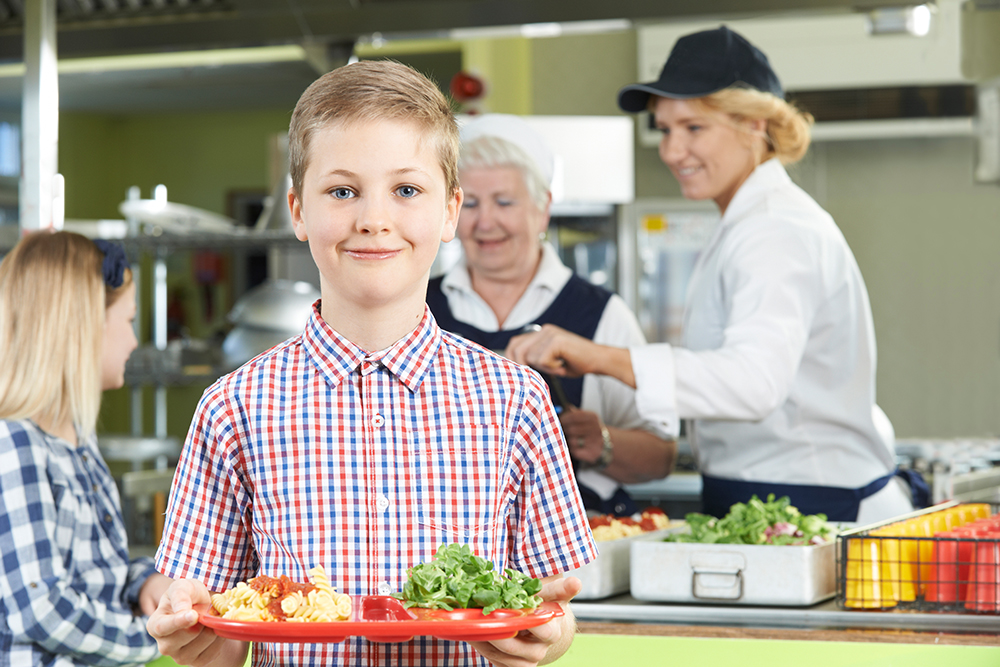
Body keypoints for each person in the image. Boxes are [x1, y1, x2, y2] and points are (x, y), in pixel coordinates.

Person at [145, 60, 596, 667]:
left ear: (449, 212)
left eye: (406, 190)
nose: (373, 219)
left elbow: (552, 607)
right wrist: (192, 639)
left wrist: (550, 636)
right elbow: (216, 632)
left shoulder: (517, 400)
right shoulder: (233, 408)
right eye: (342, 190)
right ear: (298, 212)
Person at [507, 26, 924, 524]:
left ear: (754, 125)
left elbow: (753, 382)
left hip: (810, 504)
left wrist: (599, 357)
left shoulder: (775, 229)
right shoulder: (748, 221)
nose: (671, 151)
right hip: (771, 498)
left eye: (693, 128)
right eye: (664, 129)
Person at [427, 113, 675, 517]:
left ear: (542, 209)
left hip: (577, 547)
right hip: (445, 545)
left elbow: (662, 457)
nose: (485, 221)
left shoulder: (601, 313)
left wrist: (604, 443)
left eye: (504, 202)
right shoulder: (418, 308)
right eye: (469, 203)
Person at [0, 231, 170, 665]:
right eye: (128, 320)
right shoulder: (14, 444)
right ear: (84, 324)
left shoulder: (76, 439)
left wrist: (144, 583)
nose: (133, 341)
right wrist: (152, 640)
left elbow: (96, 570)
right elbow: (42, 609)